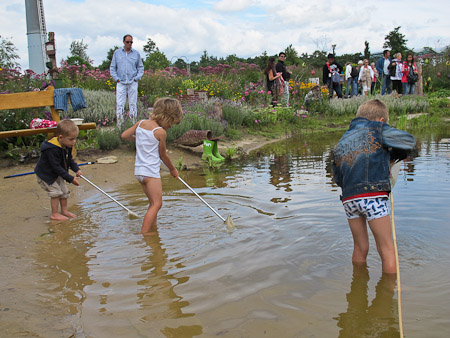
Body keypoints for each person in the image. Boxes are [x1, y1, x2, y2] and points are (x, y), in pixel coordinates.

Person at [332, 99, 416, 274]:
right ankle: (388, 293)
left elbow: (337, 178)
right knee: (386, 249)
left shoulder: (343, 140)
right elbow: (408, 141)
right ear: (381, 120)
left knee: (360, 248)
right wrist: (392, 158)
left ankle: (358, 286)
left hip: (349, 200)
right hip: (373, 198)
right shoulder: (377, 128)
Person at [121, 97, 183, 236]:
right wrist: (173, 169)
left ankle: (152, 228)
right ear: (166, 116)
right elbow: (163, 155)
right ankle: (145, 233)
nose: (170, 127)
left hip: (139, 173)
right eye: (171, 123)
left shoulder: (140, 123)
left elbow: (124, 135)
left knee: (152, 203)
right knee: (157, 204)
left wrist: (139, 139)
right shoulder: (160, 132)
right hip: (151, 173)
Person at [35, 119, 82, 221]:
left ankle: (64, 211)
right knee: (56, 192)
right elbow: (56, 167)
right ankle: (54, 214)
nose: (74, 142)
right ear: (61, 137)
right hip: (46, 175)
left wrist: (77, 169)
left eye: (75, 139)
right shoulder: (51, 149)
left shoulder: (67, 145)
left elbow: (69, 160)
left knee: (64, 191)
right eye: (71, 139)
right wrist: (70, 178)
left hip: (56, 173)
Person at [110, 34, 145, 127]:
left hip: (132, 82)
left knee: (133, 104)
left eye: (131, 42)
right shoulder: (117, 53)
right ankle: (120, 126)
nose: (130, 44)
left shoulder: (136, 54)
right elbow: (112, 67)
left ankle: (133, 125)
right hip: (120, 82)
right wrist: (116, 78)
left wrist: (136, 78)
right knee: (120, 104)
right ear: (123, 42)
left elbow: (140, 68)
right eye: (128, 42)